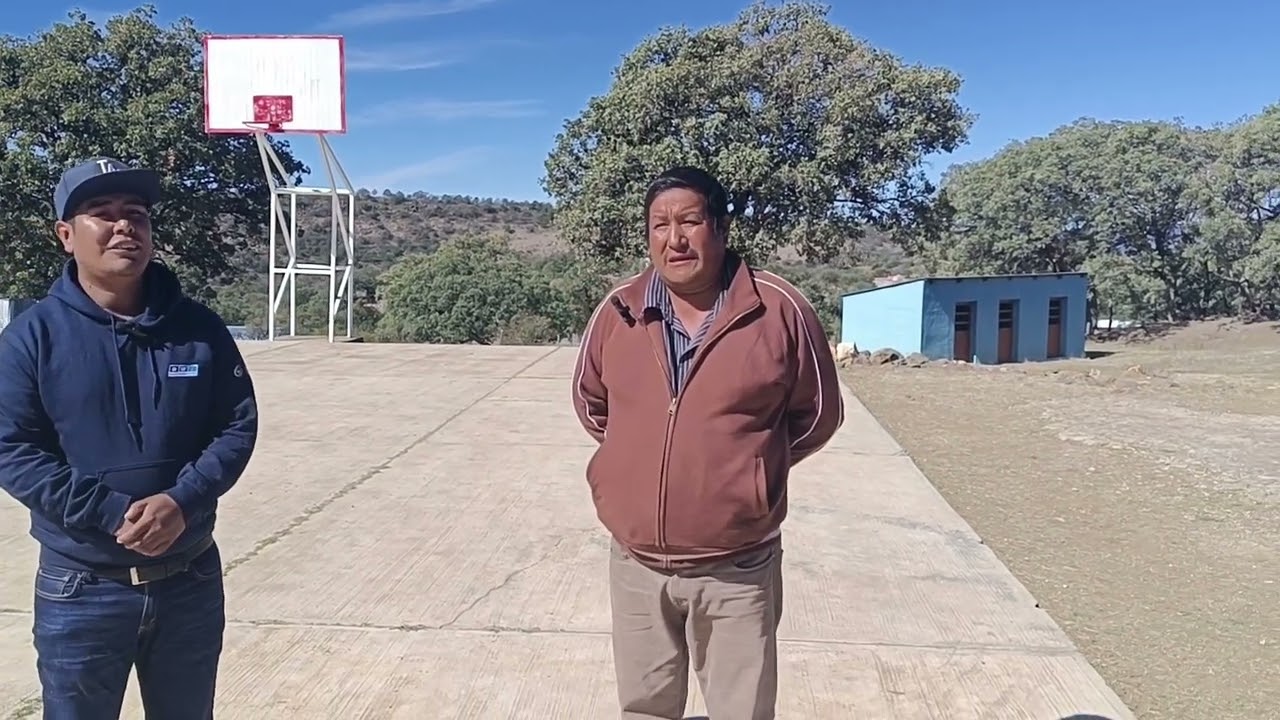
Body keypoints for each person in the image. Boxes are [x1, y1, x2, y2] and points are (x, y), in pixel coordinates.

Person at [572, 165, 844, 719]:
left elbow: (817, 415)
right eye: (658, 225)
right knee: (645, 708)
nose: (674, 239)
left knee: (739, 710)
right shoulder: (617, 311)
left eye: (690, 221)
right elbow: (592, 404)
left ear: (719, 228)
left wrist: (746, 470)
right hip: (636, 563)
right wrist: (635, 462)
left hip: (735, 567)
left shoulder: (778, 310)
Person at [0, 157, 258, 719]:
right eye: (102, 214)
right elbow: (12, 450)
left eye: (136, 214)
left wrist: (181, 501)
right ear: (66, 235)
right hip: (81, 589)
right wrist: (112, 512)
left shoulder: (201, 331)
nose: (124, 227)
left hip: (189, 579)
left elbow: (236, 426)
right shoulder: (30, 339)